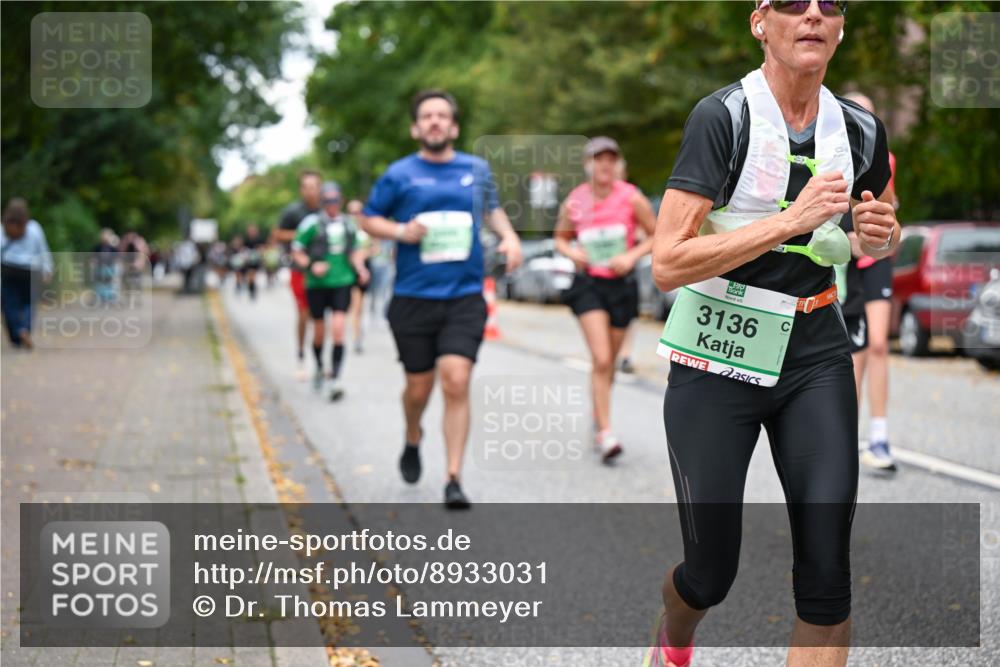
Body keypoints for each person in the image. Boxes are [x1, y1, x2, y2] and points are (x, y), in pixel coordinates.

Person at [649, 2, 899, 666]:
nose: (812, 13)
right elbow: (668, 260)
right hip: (715, 353)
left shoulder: (862, 130)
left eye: (830, 4)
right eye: (792, 1)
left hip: (815, 349)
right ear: (760, 22)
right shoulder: (722, 117)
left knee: (827, 576)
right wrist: (790, 222)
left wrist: (878, 234)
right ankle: (673, 636)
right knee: (710, 573)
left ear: (841, 27)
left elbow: (881, 219)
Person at [362, 89, 522, 509]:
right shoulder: (399, 174)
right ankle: (413, 434)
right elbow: (369, 218)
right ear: (416, 127)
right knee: (418, 389)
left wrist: (509, 236)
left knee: (456, 379)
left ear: (453, 126)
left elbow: (492, 210)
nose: (435, 122)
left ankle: (453, 477)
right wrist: (400, 232)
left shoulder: (476, 169)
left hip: (464, 296)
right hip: (413, 297)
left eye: (442, 116)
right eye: (427, 116)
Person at [554, 136, 656, 462]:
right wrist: (573, 253)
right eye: (599, 159)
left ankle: (599, 415)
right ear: (588, 164)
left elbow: (655, 235)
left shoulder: (631, 197)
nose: (605, 165)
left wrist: (631, 256)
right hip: (589, 285)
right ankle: (606, 431)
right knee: (599, 359)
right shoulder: (575, 200)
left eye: (611, 159)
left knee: (608, 363)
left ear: (618, 164)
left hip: (621, 285)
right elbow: (560, 238)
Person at [843, 91, 898, 472]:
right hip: (842, 252)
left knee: (878, 343)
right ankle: (846, 435)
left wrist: (884, 237)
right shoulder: (825, 152)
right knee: (850, 352)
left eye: (869, 115)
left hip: (874, 255)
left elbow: (892, 213)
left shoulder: (882, 157)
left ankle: (879, 436)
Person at [293, 182, 369, 400]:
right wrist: (311, 265)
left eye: (335, 200)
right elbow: (297, 250)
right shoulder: (312, 224)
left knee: (338, 329)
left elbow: (355, 250)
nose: (332, 205)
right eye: (327, 201)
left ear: (341, 200)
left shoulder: (348, 224)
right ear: (322, 202)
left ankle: (335, 378)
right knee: (319, 332)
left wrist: (360, 268)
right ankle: (318, 365)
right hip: (316, 285)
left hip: (342, 281)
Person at [273, 171, 323, 380]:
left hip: (323, 271)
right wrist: (302, 233)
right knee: (304, 314)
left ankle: (320, 363)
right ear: (301, 189)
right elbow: (277, 234)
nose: (311, 191)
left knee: (320, 318)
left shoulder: (326, 211)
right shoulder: (293, 212)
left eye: (315, 186)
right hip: (299, 271)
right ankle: (301, 356)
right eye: (307, 186)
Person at [1, 198, 53, 349]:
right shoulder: (34, 227)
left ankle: (17, 334)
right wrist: (47, 269)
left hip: (9, 268)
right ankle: (25, 329)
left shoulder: (3, 229)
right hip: (31, 269)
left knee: (10, 304)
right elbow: (43, 249)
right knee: (29, 303)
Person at [346, 199, 373, 353]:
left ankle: (358, 332)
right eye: (352, 212)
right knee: (355, 307)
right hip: (351, 271)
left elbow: (374, 249)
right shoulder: (346, 230)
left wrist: (363, 255)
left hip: (366, 269)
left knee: (361, 307)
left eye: (357, 212)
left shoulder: (367, 230)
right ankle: (357, 337)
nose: (355, 215)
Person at [241, 224, 263, 300]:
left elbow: (262, 248)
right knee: (250, 275)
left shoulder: (258, 239)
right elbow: (243, 249)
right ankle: (251, 288)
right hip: (248, 260)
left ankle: (253, 288)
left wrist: (259, 251)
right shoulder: (246, 239)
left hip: (256, 260)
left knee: (253, 275)